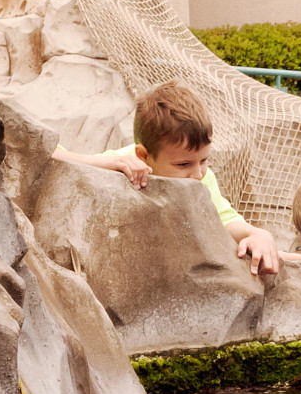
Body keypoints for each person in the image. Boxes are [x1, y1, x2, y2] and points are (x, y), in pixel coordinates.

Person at [53, 81, 280, 275]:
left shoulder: (202, 177)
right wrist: (104, 164)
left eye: (203, 160)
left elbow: (224, 221)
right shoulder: (123, 163)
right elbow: (50, 153)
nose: (197, 174)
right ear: (144, 156)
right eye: (183, 164)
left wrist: (256, 233)